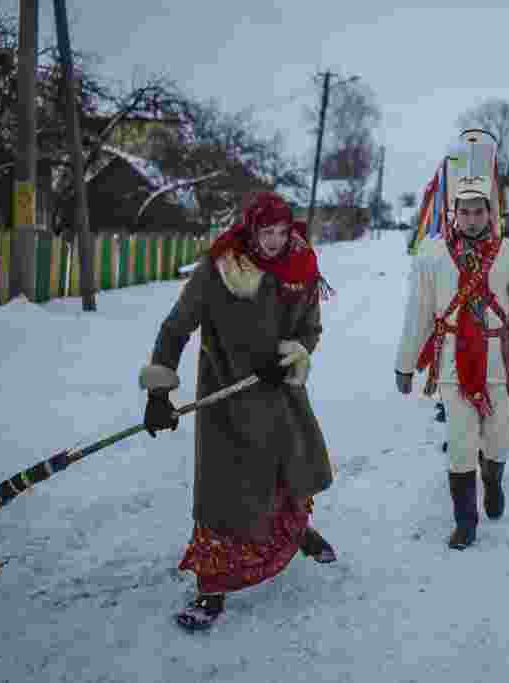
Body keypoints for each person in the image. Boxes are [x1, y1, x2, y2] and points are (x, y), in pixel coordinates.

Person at [139, 191, 338, 631]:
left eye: (282, 232)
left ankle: (296, 531)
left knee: (287, 474)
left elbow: (310, 329)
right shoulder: (221, 268)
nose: (274, 242)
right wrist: (158, 392)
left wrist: (293, 353)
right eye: (266, 233)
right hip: (226, 398)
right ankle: (212, 588)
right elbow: (175, 328)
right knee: (224, 495)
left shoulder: (300, 269)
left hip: (280, 393)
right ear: (250, 230)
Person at [395, 133, 509, 550]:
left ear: (490, 212)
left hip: (501, 360)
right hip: (452, 365)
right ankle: (466, 521)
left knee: (500, 441)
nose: (472, 218)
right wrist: (405, 364)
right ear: (454, 212)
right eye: (465, 211)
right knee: (461, 447)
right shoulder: (431, 255)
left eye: (480, 211)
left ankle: (493, 479)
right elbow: (418, 314)